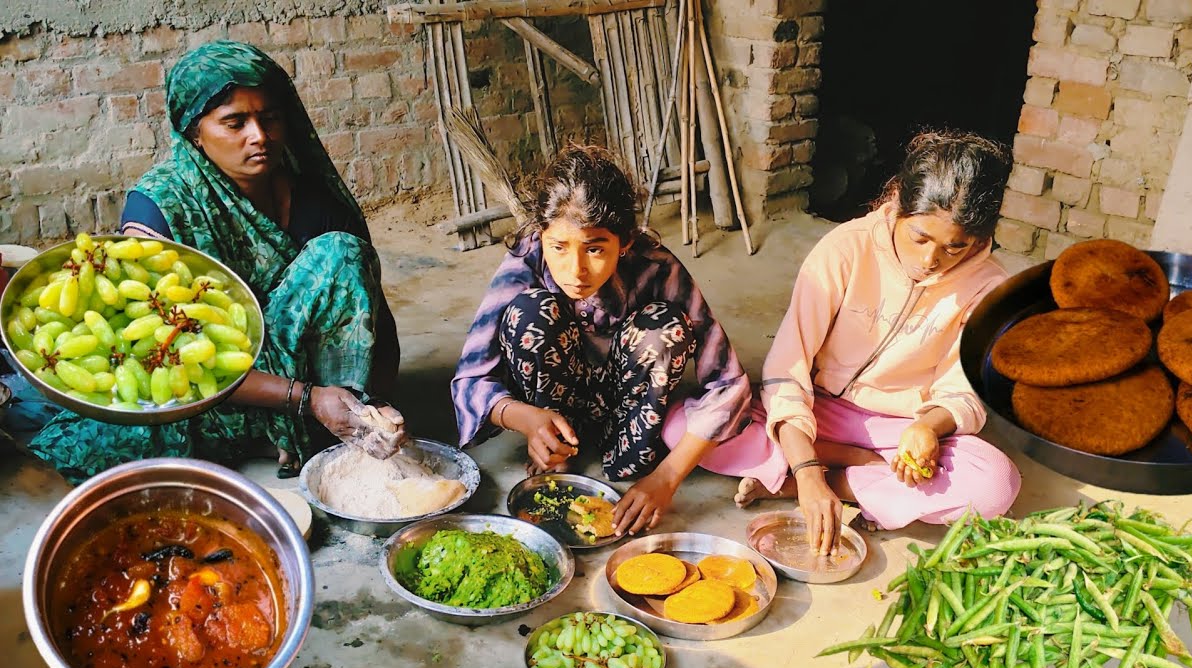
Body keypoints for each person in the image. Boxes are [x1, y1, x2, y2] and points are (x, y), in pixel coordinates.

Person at [28, 40, 404, 482]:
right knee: (128, 429)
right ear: (193, 132)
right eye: (234, 123)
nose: (259, 136)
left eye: (269, 118)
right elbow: (165, 353)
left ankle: (326, 422)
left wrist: (375, 402)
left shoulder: (313, 198)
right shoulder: (161, 208)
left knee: (342, 252)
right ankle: (291, 426)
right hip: (220, 387)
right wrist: (305, 399)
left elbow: (369, 314)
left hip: (310, 377)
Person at [666, 130, 1021, 553]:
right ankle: (851, 469)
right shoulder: (845, 249)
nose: (931, 260)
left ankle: (807, 483)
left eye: (955, 247)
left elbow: (965, 390)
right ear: (898, 206)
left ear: (979, 239)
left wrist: (929, 426)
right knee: (680, 430)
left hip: (902, 428)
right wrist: (807, 462)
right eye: (920, 238)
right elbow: (786, 371)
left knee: (995, 484)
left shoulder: (990, 288)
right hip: (819, 409)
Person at [452, 145, 751, 536]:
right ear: (541, 235)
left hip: (630, 416)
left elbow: (730, 385)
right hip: (554, 409)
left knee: (664, 327)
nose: (575, 270)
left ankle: (627, 456)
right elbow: (471, 378)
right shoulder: (526, 259)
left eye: (595, 249)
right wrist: (526, 419)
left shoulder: (657, 266)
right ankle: (555, 450)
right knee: (529, 313)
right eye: (558, 247)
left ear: (624, 242)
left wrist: (667, 476)